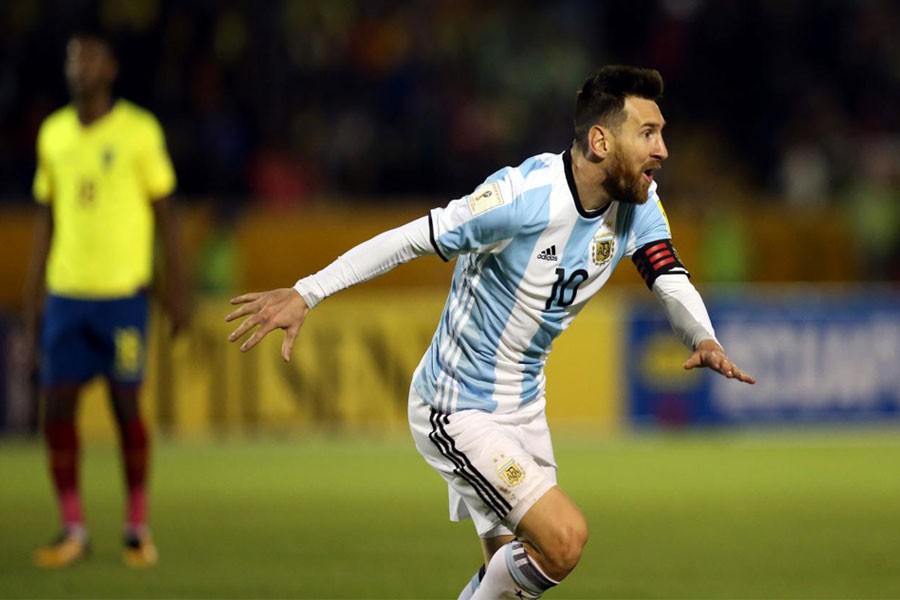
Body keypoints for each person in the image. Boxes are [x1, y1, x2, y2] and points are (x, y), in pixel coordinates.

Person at [226, 65, 755, 599]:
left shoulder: (638, 204)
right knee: (564, 540)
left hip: (524, 406)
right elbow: (410, 239)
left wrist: (702, 337)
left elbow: (668, 275)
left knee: (511, 577)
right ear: (600, 141)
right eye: (647, 133)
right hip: (456, 406)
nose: (662, 149)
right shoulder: (520, 198)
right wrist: (307, 292)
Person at [23, 30, 189, 568]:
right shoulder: (53, 134)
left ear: (111, 69)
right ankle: (73, 529)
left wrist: (176, 289)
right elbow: (45, 222)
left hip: (122, 296)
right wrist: (32, 303)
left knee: (125, 407)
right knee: (56, 409)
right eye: (73, 58)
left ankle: (136, 528)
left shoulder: (139, 131)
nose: (80, 67)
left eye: (90, 58)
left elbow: (166, 216)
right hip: (66, 295)